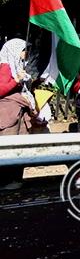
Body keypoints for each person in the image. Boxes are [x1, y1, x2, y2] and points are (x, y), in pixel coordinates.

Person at [0, 39, 37, 190]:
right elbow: (1, 89)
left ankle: (14, 179)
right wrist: (16, 80)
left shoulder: (18, 66)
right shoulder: (5, 67)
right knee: (9, 146)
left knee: (19, 146)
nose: (26, 53)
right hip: (9, 114)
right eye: (23, 50)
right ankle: (5, 181)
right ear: (14, 50)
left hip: (18, 112)